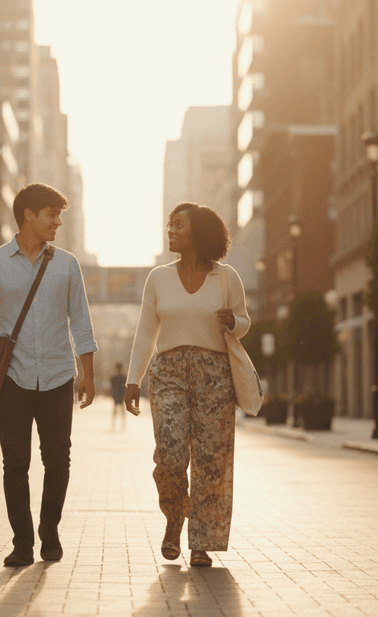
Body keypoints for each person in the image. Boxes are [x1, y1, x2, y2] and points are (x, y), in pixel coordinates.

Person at [0, 183, 98, 567]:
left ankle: (50, 530)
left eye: (59, 215)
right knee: (15, 463)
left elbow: (82, 322)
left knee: (58, 460)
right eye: (51, 214)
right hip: (12, 378)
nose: (57, 222)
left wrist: (88, 374)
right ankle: (22, 541)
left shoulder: (67, 264)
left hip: (58, 375)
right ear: (28, 214)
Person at [123, 202, 249, 568]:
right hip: (169, 374)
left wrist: (233, 321)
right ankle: (174, 517)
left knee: (212, 461)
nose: (170, 230)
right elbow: (147, 331)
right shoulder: (158, 278)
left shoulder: (227, 278)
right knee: (171, 452)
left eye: (179, 225)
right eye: (169, 224)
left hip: (215, 375)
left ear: (200, 232)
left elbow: (244, 322)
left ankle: (201, 543)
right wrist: (134, 378)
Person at [109, 362, 128, 431]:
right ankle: (115, 424)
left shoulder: (116, 377)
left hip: (120, 395)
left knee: (120, 410)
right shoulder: (120, 377)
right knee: (117, 410)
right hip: (118, 395)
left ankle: (121, 424)